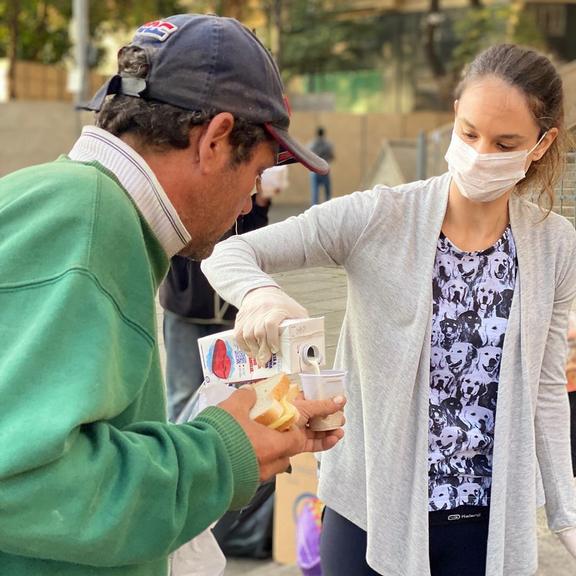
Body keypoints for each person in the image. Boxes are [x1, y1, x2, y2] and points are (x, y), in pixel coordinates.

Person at [202, 43, 576, 575]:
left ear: (541, 145)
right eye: (469, 133)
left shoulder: (553, 245)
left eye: (505, 143)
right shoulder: (381, 217)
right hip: (371, 512)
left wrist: (566, 513)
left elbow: (545, 390)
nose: (480, 153)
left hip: (488, 524)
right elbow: (229, 250)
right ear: (454, 117)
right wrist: (261, 295)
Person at [0, 14, 345, 576]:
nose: (248, 202)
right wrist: (221, 451)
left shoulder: (53, 198)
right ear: (215, 140)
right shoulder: (90, 225)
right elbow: (22, 477)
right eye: (256, 172)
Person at [160, 192, 271, 422]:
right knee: (183, 395)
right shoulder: (195, 180)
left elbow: (252, 236)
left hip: (230, 310)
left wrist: (260, 203)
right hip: (186, 307)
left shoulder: (242, 189)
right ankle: (181, 455)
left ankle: (221, 452)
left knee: (229, 394)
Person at [308, 126, 334, 205]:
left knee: (315, 192)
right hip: (324, 170)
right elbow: (332, 156)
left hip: (314, 170)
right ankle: (328, 207)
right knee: (327, 192)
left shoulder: (312, 144)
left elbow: (308, 156)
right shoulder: (328, 145)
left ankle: (314, 209)